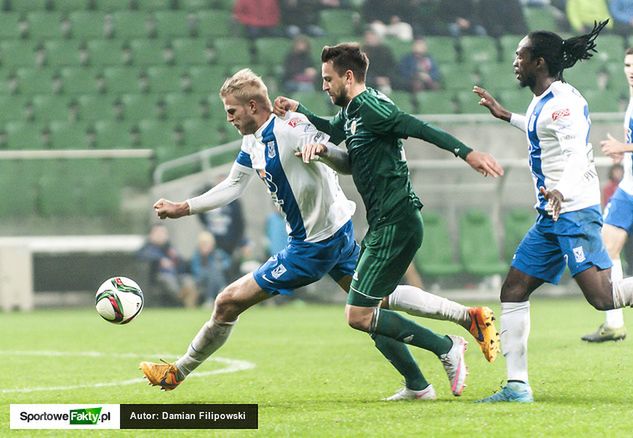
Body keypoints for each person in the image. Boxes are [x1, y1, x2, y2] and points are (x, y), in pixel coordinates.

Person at [140, 69, 500, 401]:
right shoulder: (252, 140)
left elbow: (347, 159)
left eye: (232, 110)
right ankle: (439, 356)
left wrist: (324, 150)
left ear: (253, 106)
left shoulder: (292, 126)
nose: (229, 118)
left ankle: (178, 372)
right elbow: (233, 185)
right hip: (330, 234)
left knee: (227, 301)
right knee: (375, 302)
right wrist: (184, 207)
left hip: (314, 245)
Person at [273, 43, 504, 397]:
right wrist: (300, 110)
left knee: (358, 314)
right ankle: (422, 379)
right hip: (385, 222)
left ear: (348, 77)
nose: (324, 86)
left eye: (327, 79)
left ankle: (447, 347)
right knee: (375, 304)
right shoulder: (353, 111)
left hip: (396, 221)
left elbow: (417, 126)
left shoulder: (374, 108)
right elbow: (333, 131)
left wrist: (467, 152)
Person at [471, 21, 633, 402]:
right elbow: (541, 129)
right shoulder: (546, 100)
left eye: (520, 55)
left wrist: (561, 188)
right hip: (551, 216)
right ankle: (517, 386)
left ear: (538, 62)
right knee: (513, 289)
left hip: (573, 212)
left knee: (604, 298)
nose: (515, 61)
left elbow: (578, 153)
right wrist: (506, 115)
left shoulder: (563, 104)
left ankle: (517, 385)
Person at [581, 48, 633, 342]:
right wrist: (624, 157)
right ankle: (614, 323)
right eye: (627, 64)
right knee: (605, 249)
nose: (631, 70)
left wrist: (623, 149)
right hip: (629, 190)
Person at [136, 224, 196, 307]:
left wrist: (177, 259)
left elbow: (182, 265)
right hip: (159, 277)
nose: (161, 235)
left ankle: (188, 304)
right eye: (158, 232)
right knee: (167, 279)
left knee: (188, 280)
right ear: (151, 235)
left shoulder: (170, 248)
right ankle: (180, 296)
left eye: (163, 233)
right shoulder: (147, 247)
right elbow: (140, 255)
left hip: (177, 275)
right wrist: (159, 260)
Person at [190, 231, 230, 307]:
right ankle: (222, 291)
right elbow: (196, 271)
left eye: (208, 244)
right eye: (204, 244)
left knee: (214, 271)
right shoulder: (197, 256)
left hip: (215, 279)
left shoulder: (218, 253)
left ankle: (210, 299)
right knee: (213, 272)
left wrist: (220, 266)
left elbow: (228, 262)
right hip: (201, 280)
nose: (206, 247)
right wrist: (209, 270)